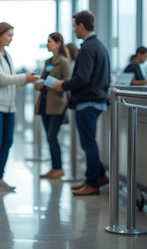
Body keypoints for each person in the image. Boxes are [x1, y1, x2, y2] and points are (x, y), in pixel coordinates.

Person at [53, 11, 110, 196]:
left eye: (75, 25)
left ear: (82, 26)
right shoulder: (99, 46)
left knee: (88, 144)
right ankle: (98, 176)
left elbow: (82, 78)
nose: (74, 29)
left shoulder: (87, 48)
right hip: (97, 100)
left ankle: (93, 183)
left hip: (88, 102)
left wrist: (63, 85)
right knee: (89, 142)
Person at [0, 22, 38, 193]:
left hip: (8, 106)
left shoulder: (6, 55)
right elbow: (2, 79)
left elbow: (10, 80)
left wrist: (26, 80)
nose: (11, 39)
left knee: (7, 142)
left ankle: (0, 179)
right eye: (9, 35)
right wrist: (23, 77)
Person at [34, 32, 71, 179]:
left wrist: (55, 84)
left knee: (52, 136)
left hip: (57, 104)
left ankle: (59, 168)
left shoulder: (64, 62)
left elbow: (67, 82)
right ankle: (54, 167)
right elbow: (41, 80)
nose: (48, 44)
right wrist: (39, 83)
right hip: (44, 102)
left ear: (58, 43)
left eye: (50, 41)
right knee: (49, 137)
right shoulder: (48, 62)